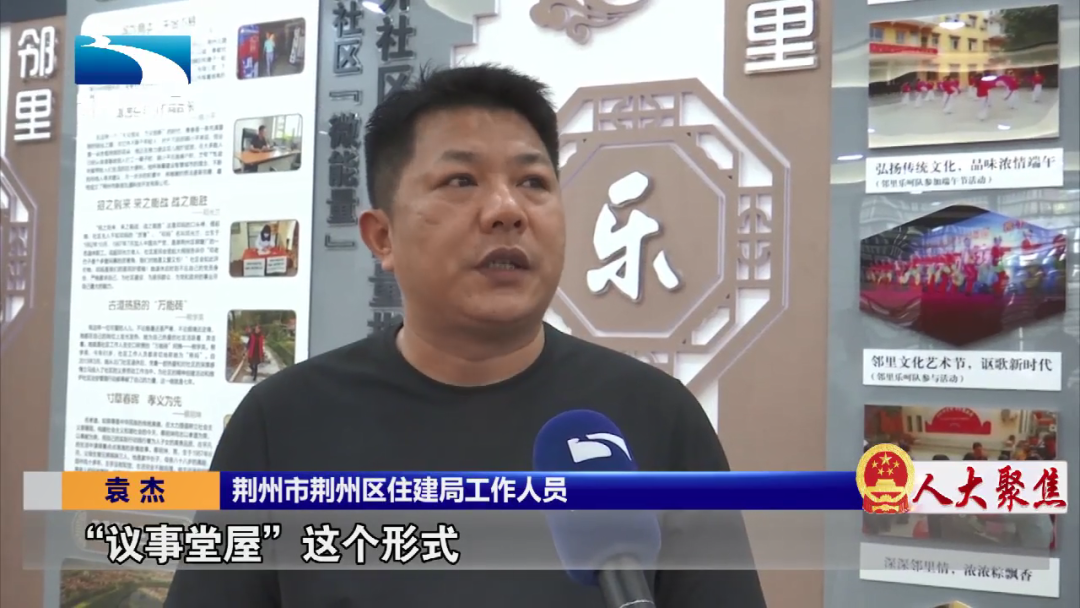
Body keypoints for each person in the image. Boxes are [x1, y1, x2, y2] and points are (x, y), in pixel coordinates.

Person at [164, 65, 766, 607]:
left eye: (534, 182)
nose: (507, 209)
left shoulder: (655, 416)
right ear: (382, 237)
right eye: (460, 180)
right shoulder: (283, 421)